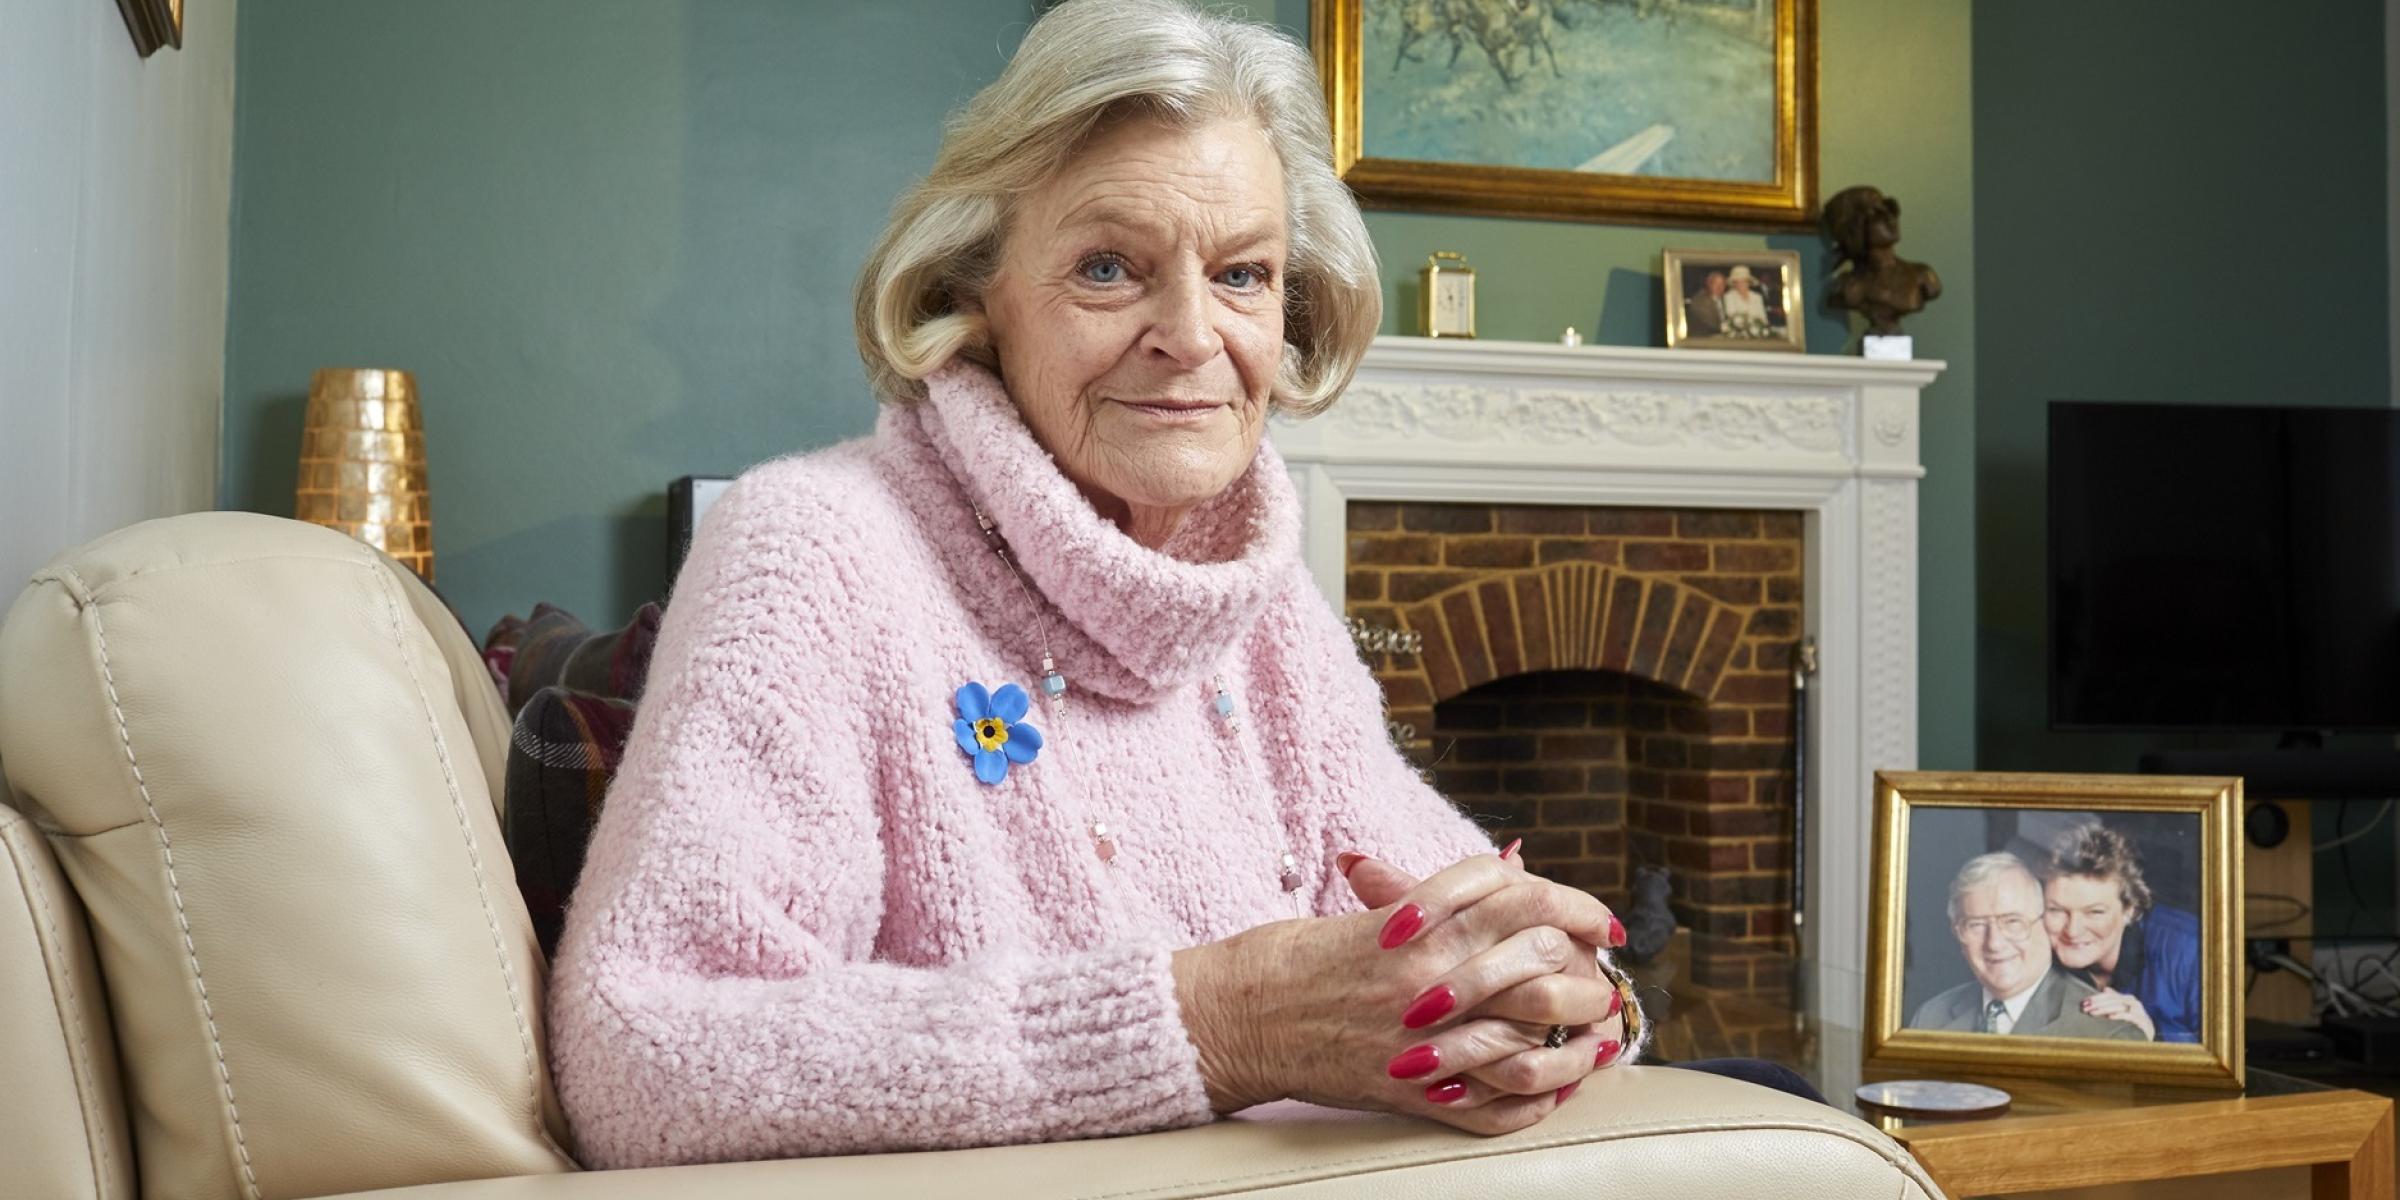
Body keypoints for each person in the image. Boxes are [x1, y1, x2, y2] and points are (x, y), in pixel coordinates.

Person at [545, 0, 1650, 1170]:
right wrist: (1223, 1022)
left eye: (1243, 274)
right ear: (974, 295)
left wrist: (1572, 995)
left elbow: (1484, 926)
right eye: (1110, 268)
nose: (1190, 333)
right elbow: (648, 1050)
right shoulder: (813, 550)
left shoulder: (1253, 601)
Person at [1908, 853, 2144, 1040]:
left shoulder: (2109, 1032)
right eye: (1976, 924)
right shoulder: (1930, 1017)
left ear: (2044, 923)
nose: (1995, 943)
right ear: (1957, 933)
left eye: (2013, 922)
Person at [2044, 825, 2203, 1043]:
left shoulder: (2191, 949)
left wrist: (2155, 1037)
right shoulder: (2030, 944)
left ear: (2131, 910)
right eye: (2057, 910)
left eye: (2095, 912)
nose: (2072, 931)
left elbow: (2225, 1062)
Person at [1720, 265, 1772, 337]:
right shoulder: (1729, 297)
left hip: (1758, 335)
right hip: (1737, 335)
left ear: (1749, 282)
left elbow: (1763, 319)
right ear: (1734, 283)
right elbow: (1732, 316)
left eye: (1745, 281)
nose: (1742, 284)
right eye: (1739, 281)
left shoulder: (1757, 297)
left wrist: (1760, 328)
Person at [1684, 270, 1726, 337]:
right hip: (1703, 338)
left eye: (1722, 284)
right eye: (1716, 283)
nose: (1719, 287)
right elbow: (1712, 324)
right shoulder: (1699, 300)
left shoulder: (1725, 299)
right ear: (1708, 284)